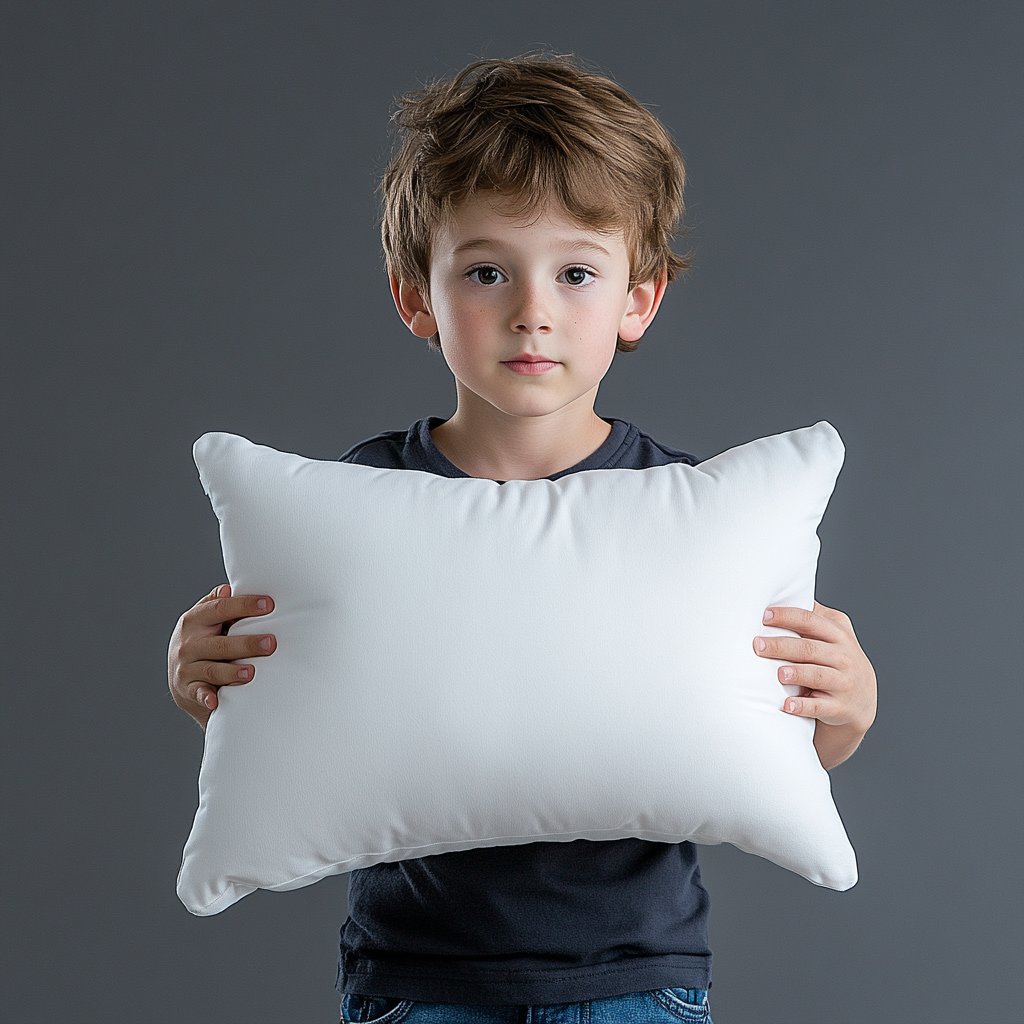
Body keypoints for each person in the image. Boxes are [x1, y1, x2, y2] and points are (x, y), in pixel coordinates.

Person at [167, 54, 877, 1024]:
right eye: (486, 270)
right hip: (416, 980)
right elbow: (319, 722)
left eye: (577, 272)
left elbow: (756, 733)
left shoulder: (688, 512)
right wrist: (202, 678)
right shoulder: (358, 501)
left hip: (635, 979)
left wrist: (845, 708)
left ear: (638, 298)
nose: (532, 309)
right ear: (416, 296)